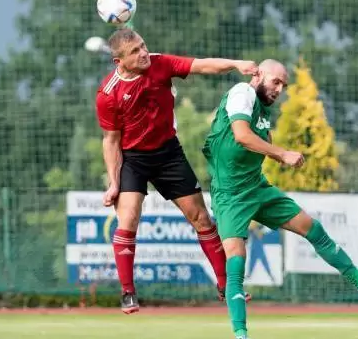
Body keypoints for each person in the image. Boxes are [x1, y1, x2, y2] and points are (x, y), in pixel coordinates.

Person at [202, 59, 358, 339]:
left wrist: (275, 152)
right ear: (258, 74)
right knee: (236, 263)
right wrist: (282, 153)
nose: (279, 89)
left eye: (283, 85)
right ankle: (241, 337)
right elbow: (241, 135)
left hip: (256, 187)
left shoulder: (263, 111)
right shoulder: (242, 92)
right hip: (230, 195)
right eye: (275, 81)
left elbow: (256, 141)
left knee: (313, 228)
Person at [95, 27, 258, 314]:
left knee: (201, 218)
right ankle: (128, 292)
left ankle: (226, 285)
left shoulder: (160, 63)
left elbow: (202, 65)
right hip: (133, 159)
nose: (143, 52)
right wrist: (113, 183)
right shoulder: (108, 94)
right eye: (135, 51)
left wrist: (235, 64)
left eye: (143, 45)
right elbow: (111, 140)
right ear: (119, 61)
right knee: (128, 218)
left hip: (168, 154)